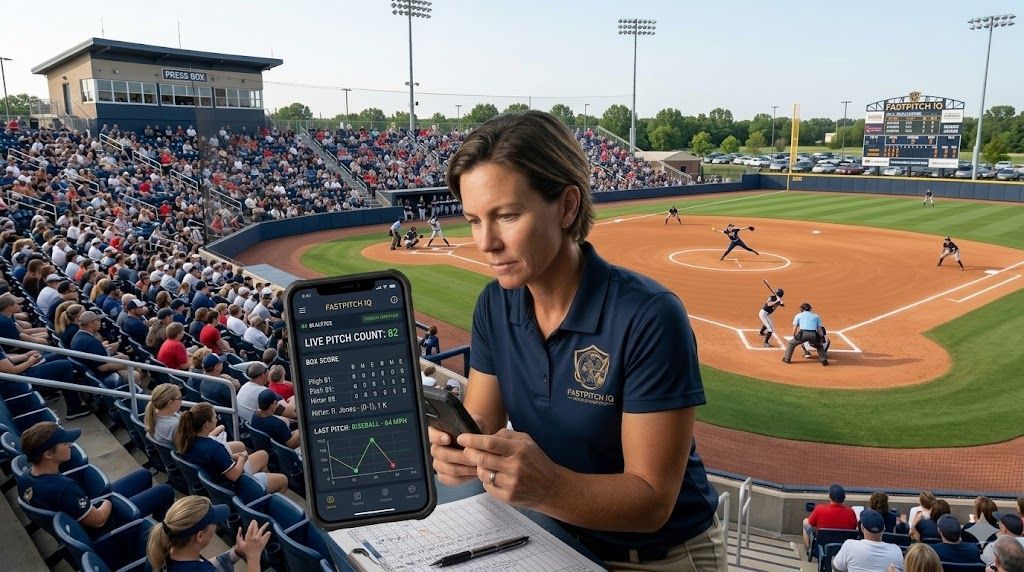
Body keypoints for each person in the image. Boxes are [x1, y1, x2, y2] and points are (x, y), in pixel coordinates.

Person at [432, 111, 725, 571]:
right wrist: (459, 454)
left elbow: (652, 501)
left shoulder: (648, 315)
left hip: (659, 556)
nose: (485, 242)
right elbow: (483, 423)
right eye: (473, 220)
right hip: (553, 536)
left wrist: (549, 488)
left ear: (567, 206)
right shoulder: (494, 305)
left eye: (506, 216)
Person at [18, 422, 174, 529]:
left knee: (144, 475)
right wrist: (108, 502)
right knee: (165, 491)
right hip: (105, 526)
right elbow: (99, 520)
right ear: (48, 454)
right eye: (65, 443)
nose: (71, 445)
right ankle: (157, 538)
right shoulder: (64, 489)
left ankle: (143, 527)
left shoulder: (25, 477)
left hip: (85, 510)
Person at [175, 402, 287, 493]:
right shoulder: (214, 448)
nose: (217, 419)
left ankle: (261, 489)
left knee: (263, 455)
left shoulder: (187, 440)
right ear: (206, 424)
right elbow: (234, 475)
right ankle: (259, 495)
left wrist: (232, 457)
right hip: (234, 486)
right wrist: (242, 458)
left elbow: (214, 462)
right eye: (214, 417)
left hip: (217, 478)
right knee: (283, 480)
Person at [146, 495, 271, 572]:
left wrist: (237, 551)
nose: (217, 525)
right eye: (214, 522)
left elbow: (206, 566)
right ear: (200, 536)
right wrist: (253, 557)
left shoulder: (168, 553)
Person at [831, 509, 905, 572]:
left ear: (862, 527)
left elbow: (836, 567)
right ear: (884, 528)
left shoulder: (849, 545)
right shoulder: (896, 551)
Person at [802, 484, 857, 550]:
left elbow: (811, 523)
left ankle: (809, 549)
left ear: (830, 497)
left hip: (821, 545)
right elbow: (853, 527)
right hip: (843, 548)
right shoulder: (851, 512)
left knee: (805, 521)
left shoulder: (819, 509)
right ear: (843, 498)